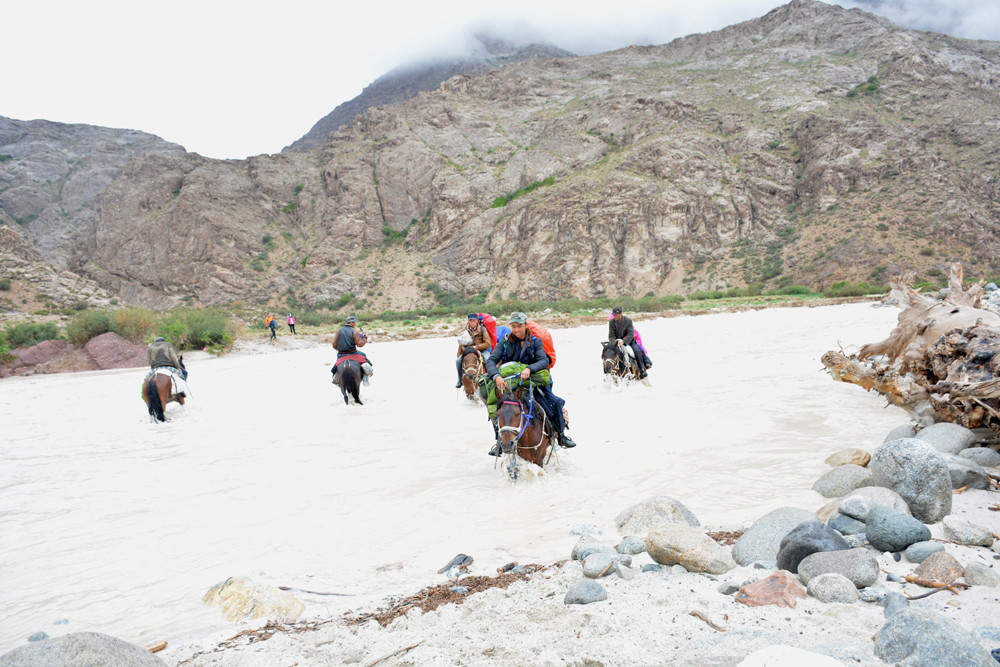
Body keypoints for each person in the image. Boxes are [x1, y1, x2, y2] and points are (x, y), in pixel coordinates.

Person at [484, 312, 577, 456]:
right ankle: (500, 442)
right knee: (499, 410)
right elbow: (490, 361)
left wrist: (529, 368)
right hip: (511, 386)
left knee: (554, 403)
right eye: (513, 326)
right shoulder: (504, 342)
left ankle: (561, 436)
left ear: (525, 325)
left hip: (533, 383)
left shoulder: (535, 342)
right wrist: (496, 376)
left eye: (519, 326)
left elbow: (544, 361)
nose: (516, 330)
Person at [609, 306, 651, 378]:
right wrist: (613, 343)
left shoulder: (628, 321)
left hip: (629, 341)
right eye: (614, 315)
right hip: (617, 342)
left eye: (616, 315)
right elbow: (611, 335)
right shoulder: (611, 322)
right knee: (608, 352)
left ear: (620, 314)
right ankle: (608, 372)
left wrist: (624, 342)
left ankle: (642, 369)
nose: (615, 316)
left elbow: (631, 334)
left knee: (636, 351)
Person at [331, 315, 373, 384]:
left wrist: (339, 349)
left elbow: (334, 345)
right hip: (353, 353)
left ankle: (335, 377)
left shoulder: (339, 331)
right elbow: (359, 344)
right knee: (364, 355)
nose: (355, 324)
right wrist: (364, 339)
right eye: (354, 322)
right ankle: (365, 378)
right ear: (351, 322)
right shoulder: (354, 331)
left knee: (336, 365)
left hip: (341, 354)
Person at [455, 313, 491, 388]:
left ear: (477, 321)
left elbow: (488, 344)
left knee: (488, 359)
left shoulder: (482, 329)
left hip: (481, 350)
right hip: (468, 351)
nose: (472, 322)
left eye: (474, 320)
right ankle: (460, 380)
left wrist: (477, 347)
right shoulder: (465, 330)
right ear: (468, 321)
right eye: (470, 321)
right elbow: (461, 343)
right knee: (458, 361)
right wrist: (459, 354)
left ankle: (490, 377)